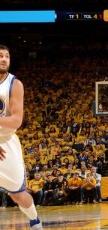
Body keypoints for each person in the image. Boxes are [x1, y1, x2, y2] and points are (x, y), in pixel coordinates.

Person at [0, 45, 43, 229]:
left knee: (17, 194)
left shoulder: (14, 84)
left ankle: (34, 220)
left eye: (7, 56)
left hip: (6, 143)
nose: (3, 59)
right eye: (0, 55)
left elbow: (16, 120)